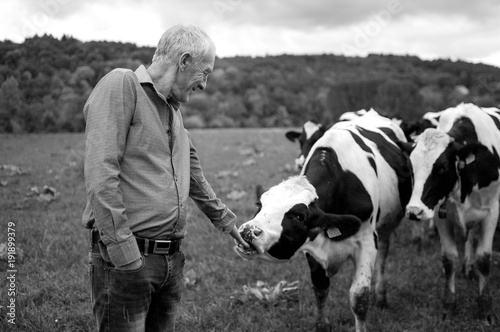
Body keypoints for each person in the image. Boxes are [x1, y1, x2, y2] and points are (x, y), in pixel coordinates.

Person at [82, 24, 250, 332]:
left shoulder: (173, 109)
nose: (205, 84)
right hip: (129, 261)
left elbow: (193, 173)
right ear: (184, 61)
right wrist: (126, 256)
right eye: (205, 72)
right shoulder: (122, 85)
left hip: (171, 261)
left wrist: (227, 222)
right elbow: (100, 174)